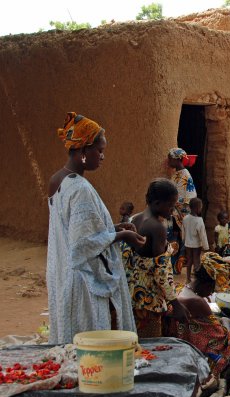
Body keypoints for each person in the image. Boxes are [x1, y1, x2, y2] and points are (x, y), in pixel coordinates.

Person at [47, 112, 144, 345]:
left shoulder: (57, 179)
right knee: (89, 344)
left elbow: (78, 228)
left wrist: (113, 227)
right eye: (99, 151)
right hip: (82, 278)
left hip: (61, 269)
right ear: (82, 152)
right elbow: (83, 243)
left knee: (71, 340)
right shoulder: (80, 189)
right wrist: (123, 234)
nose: (102, 157)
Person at [123, 179, 190, 337]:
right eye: (171, 206)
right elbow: (160, 272)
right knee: (149, 349)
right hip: (149, 301)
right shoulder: (157, 227)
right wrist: (176, 303)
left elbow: (135, 258)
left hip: (132, 296)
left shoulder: (135, 219)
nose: (173, 211)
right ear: (158, 203)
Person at [166, 255, 230, 379]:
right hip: (199, 349)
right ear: (207, 284)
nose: (212, 293)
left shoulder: (182, 289)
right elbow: (222, 335)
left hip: (182, 343)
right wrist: (226, 321)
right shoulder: (197, 302)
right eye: (213, 288)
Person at [166, 147, 197, 274]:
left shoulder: (185, 175)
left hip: (181, 212)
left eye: (170, 158)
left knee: (180, 238)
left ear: (177, 159)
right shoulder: (176, 174)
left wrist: (171, 204)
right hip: (174, 212)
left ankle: (177, 265)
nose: (168, 161)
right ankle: (173, 266)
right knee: (174, 238)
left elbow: (188, 197)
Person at [183, 197, 209, 283]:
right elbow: (203, 235)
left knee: (189, 260)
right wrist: (206, 247)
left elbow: (183, 230)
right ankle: (196, 279)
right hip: (196, 245)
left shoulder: (185, 218)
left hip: (187, 243)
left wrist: (184, 239)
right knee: (196, 260)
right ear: (197, 208)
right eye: (201, 207)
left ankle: (188, 279)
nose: (201, 209)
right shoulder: (199, 220)